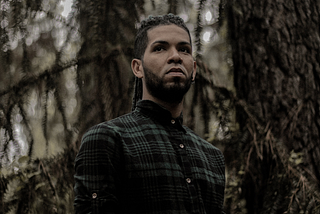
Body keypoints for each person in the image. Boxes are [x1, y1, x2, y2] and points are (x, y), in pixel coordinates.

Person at [74, 14, 225, 214]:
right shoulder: (108, 139)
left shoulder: (212, 157)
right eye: (160, 48)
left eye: (184, 49)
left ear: (194, 69)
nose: (175, 56)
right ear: (138, 68)